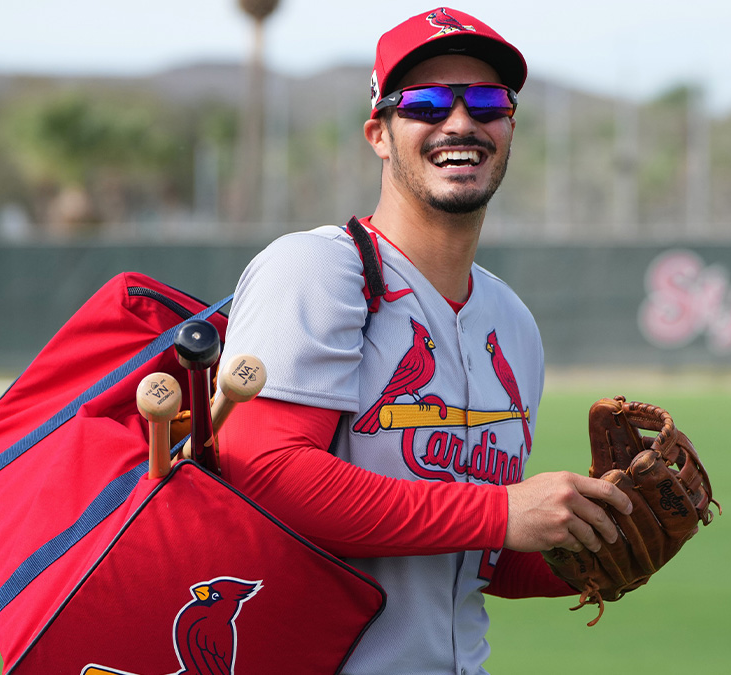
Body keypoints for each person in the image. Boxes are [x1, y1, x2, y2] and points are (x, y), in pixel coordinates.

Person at [216, 7, 632, 674]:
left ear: (510, 127)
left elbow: (468, 553)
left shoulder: (512, 322)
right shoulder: (321, 268)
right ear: (378, 134)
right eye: (428, 103)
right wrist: (502, 510)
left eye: (488, 102)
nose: (460, 122)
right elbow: (265, 471)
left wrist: (588, 546)